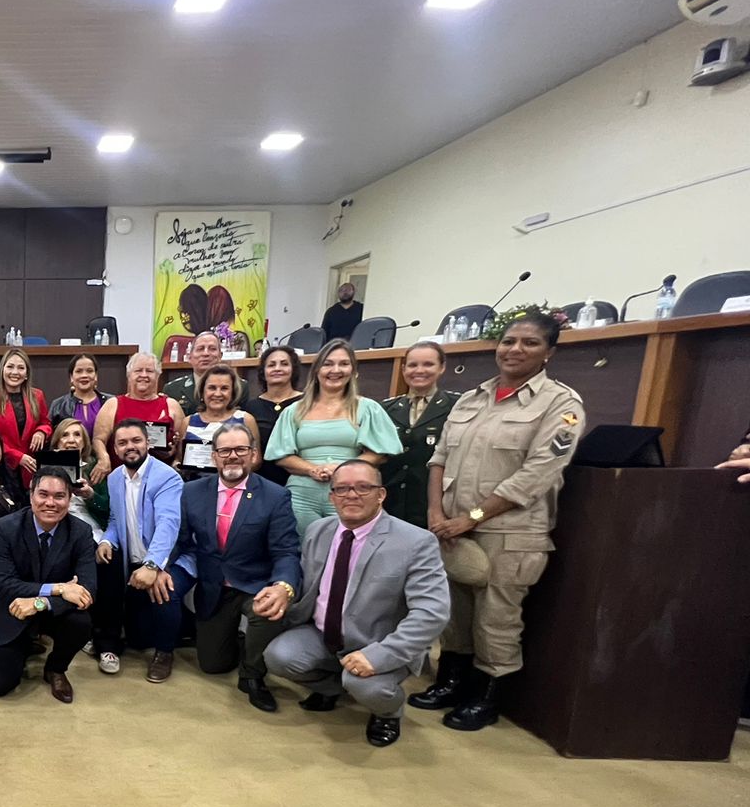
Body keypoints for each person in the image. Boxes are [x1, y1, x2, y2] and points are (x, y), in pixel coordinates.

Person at [410, 311, 584, 731]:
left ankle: (486, 697)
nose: (515, 349)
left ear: (549, 353)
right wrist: (436, 513)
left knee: (496, 618)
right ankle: (451, 682)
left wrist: (471, 518)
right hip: (450, 528)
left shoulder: (561, 405)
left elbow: (537, 474)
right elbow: (439, 460)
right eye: (509, 341)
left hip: (510, 534)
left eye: (529, 343)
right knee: (455, 613)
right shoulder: (473, 399)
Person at [265, 460, 449, 747]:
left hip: (380, 641)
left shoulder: (416, 542)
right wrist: (283, 590)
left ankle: (388, 711)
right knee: (279, 656)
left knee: (365, 685)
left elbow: (432, 613)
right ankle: (332, 688)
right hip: (323, 633)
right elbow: (304, 579)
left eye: (363, 487)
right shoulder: (318, 530)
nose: (352, 495)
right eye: (342, 489)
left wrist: (378, 656)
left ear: (381, 494)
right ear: (331, 496)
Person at [175, 422, 301, 711]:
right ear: (214, 457)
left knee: (265, 611)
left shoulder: (275, 495)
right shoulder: (192, 491)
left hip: (256, 583)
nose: (232, 456)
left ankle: (253, 674)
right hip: (213, 586)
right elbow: (180, 540)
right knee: (212, 665)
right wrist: (156, 567)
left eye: (241, 449)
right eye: (225, 450)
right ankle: (240, 640)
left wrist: (283, 586)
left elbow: (286, 551)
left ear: (254, 454)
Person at [265, 338, 401, 536]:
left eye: (343, 364)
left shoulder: (367, 408)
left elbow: (380, 453)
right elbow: (281, 455)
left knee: (348, 548)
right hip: (302, 495)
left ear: (353, 371)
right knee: (301, 551)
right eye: (328, 364)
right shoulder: (295, 410)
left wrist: (341, 468)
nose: (335, 370)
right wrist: (312, 469)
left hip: (350, 493)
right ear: (317, 371)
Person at [0, 468, 98, 702]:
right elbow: (5, 583)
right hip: (12, 608)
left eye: (59, 496)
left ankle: (55, 668)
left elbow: (87, 589)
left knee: (81, 621)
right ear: (31, 495)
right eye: (43, 494)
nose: (50, 503)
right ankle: (23, 644)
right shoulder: (5, 528)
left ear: (69, 498)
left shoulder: (81, 532)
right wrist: (61, 588)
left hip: (51, 610)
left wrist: (41, 602)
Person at [94, 419, 194, 683]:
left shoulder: (167, 477)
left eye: (136, 441)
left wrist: (155, 566)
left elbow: (168, 524)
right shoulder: (114, 478)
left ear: (148, 442)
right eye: (123, 443)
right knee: (137, 639)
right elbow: (116, 521)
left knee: (163, 590)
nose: (130, 447)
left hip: (171, 557)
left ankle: (165, 652)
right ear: (115, 449)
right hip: (136, 561)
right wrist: (106, 541)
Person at [381, 342, 460, 527]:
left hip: (434, 503)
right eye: (412, 365)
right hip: (391, 502)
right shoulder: (385, 408)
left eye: (428, 364)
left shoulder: (458, 405)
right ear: (403, 369)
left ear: (442, 368)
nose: (419, 370)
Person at [92, 351, 187, 470]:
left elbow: (182, 444)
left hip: (160, 477)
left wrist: (174, 454)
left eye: (149, 371)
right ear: (129, 375)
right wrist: (103, 458)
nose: (144, 375)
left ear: (158, 375)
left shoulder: (171, 405)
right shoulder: (113, 404)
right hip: (122, 476)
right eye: (138, 370)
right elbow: (98, 439)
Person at [0, 346, 52, 488]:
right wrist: (17, 456)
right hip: (0, 467)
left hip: (30, 469)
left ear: (27, 373)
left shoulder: (37, 396)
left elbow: (45, 422)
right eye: (10, 367)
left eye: (21, 368)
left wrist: (41, 431)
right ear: (2, 370)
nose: (15, 372)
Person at [243, 344, 305, 486]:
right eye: (271, 365)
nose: (277, 368)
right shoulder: (251, 407)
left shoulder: (308, 403)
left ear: (293, 369)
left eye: (284, 364)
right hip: (261, 483)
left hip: (302, 481)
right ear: (263, 372)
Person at [181, 365, 260, 470]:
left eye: (224, 388)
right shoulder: (188, 422)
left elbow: (256, 460)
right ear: (202, 391)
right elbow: (179, 459)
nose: (217, 394)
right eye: (212, 388)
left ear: (233, 392)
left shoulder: (246, 420)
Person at [51, 418, 111, 541]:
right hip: (56, 531)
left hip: (90, 531)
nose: (71, 440)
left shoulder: (94, 468)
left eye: (77, 435)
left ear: (84, 442)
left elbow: (108, 509)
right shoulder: (46, 468)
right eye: (64, 435)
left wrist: (90, 495)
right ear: (57, 442)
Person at [48, 352, 113, 456]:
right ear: (71, 377)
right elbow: (51, 443)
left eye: (89, 371)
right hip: (70, 465)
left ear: (96, 376)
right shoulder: (58, 405)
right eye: (79, 371)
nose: (84, 375)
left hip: (105, 463)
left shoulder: (111, 402)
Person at [161, 330, 226, 416]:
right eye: (200, 349)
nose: (206, 353)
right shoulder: (172, 389)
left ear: (220, 356)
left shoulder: (239, 387)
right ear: (189, 357)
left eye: (212, 349)